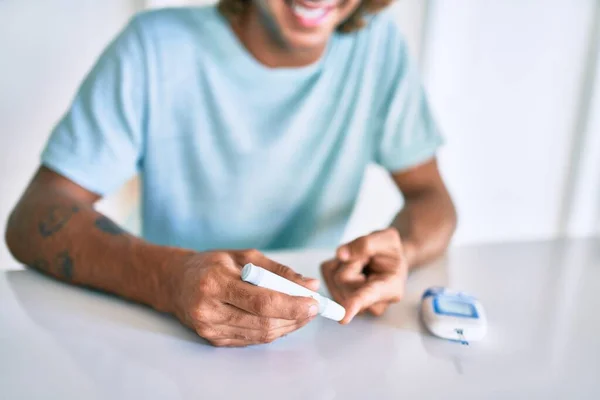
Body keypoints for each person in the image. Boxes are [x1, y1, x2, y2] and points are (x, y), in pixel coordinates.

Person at [5, 0, 456, 347]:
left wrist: (403, 251)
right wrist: (169, 279)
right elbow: (35, 217)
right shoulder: (155, 46)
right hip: (161, 334)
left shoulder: (379, 49)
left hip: (310, 342)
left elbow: (430, 197)